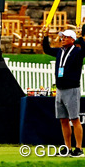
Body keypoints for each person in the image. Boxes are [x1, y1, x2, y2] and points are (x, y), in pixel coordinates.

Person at [42, 27, 85, 157]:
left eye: (66, 37)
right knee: (63, 120)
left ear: (72, 39)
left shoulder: (77, 51)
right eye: (62, 37)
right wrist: (45, 36)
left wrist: (80, 37)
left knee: (74, 119)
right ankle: (67, 148)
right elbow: (47, 49)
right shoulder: (60, 51)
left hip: (71, 89)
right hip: (60, 89)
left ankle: (78, 148)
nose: (63, 39)